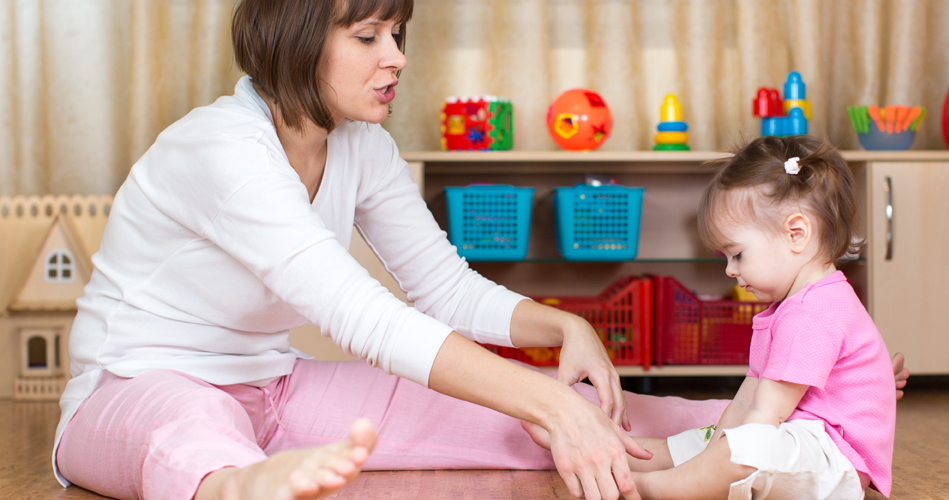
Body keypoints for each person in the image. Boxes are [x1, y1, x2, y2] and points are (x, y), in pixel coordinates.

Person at [52, 1, 910, 499]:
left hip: (275, 387)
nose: (395, 58)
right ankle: (235, 484)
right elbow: (359, 313)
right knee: (186, 429)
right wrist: (549, 404)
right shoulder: (220, 149)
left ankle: (798, 434)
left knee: (585, 414)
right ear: (297, 35)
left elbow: (437, 284)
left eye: (397, 35)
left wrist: (556, 330)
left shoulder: (362, 148)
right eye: (368, 37)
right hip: (132, 384)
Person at [579, 135, 895, 499]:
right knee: (716, 437)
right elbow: (748, 398)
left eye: (738, 255)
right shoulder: (789, 306)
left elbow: (766, 414)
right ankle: (622, 456)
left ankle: (655, 486)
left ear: (796, 233)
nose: (730, 270)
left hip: (838, 461)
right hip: (802, 437)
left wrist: (721, 455)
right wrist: (714, 447)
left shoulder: (815, 312)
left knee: (741, 446)